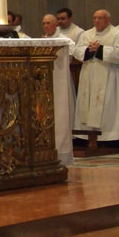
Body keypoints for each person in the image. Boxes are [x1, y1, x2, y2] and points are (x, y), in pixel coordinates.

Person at [73, 10, 119, 141]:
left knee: (108, 104)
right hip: (89, 75)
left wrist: (101, 50)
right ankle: (86, 137)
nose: (97, 21)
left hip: (109, 76)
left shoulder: (116, 33)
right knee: (87, 102)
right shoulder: (87, 34)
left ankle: (109, 138)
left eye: (100, 18)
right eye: (95, 18)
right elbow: (77, 51)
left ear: (108, 20)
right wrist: (89, 50)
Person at [42, 13, 76, 165]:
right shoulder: (41, 40)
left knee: (61, 113)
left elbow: (72, 52)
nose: (46, 25)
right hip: (46, 83)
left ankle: (63, 152)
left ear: (56, 24)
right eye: (44, 23)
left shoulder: (63, 40)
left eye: (49, 22)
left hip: (60, 82)